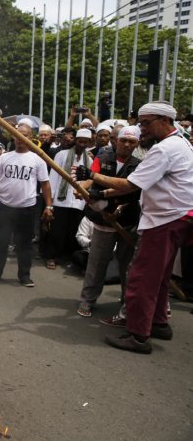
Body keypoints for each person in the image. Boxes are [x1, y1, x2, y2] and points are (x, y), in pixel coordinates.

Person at [75, 101, 193, 353]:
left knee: (142, 278)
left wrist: (91, 176)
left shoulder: (166, 149)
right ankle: (159, 323)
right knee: (160, 277)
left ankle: (139, 335)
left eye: (146, 123)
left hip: (164, 220)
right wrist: (101, 192)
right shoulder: (180, 143)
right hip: (174, 218)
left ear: (165, 121)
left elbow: (130, 185)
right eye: (140, 123)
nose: (142, 129)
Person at [75, 125, 142, 319]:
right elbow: (90, 179)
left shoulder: (139, 165)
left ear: (136, 144)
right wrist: (81, 188)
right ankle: (87, 299)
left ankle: (126, 303)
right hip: (103, 220)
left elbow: (131, 190)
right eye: (123, 140)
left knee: (127, 266)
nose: (127, 144)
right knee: (96, 262)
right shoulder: (102, 159)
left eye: (132, 142)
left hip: (127, 222)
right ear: (116, 140)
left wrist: (119, 208)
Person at [0, 124, 54, 287]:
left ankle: (24, 275)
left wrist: (49, 206)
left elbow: (45, 185)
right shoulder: (4, 158)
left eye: (25, 135)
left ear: (31, 138)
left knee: (24, 245)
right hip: (5, 208)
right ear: (13, 136)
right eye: (18, 135)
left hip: (27, 209)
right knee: (1, 242)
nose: (21, 138)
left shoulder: (38, 160)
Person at [43, 129, 92, 270]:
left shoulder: (89, 160)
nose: (82, 144)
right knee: (57, 231)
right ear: (75, 140)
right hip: (61, 200)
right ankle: (52, 256)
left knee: (73, 233)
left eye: (85, 142)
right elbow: (53, 178)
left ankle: (68, 258)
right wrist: (50, 203)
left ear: (89, 143)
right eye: (80, 141)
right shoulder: (61, 155)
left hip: (78, 202)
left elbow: (88, 181)